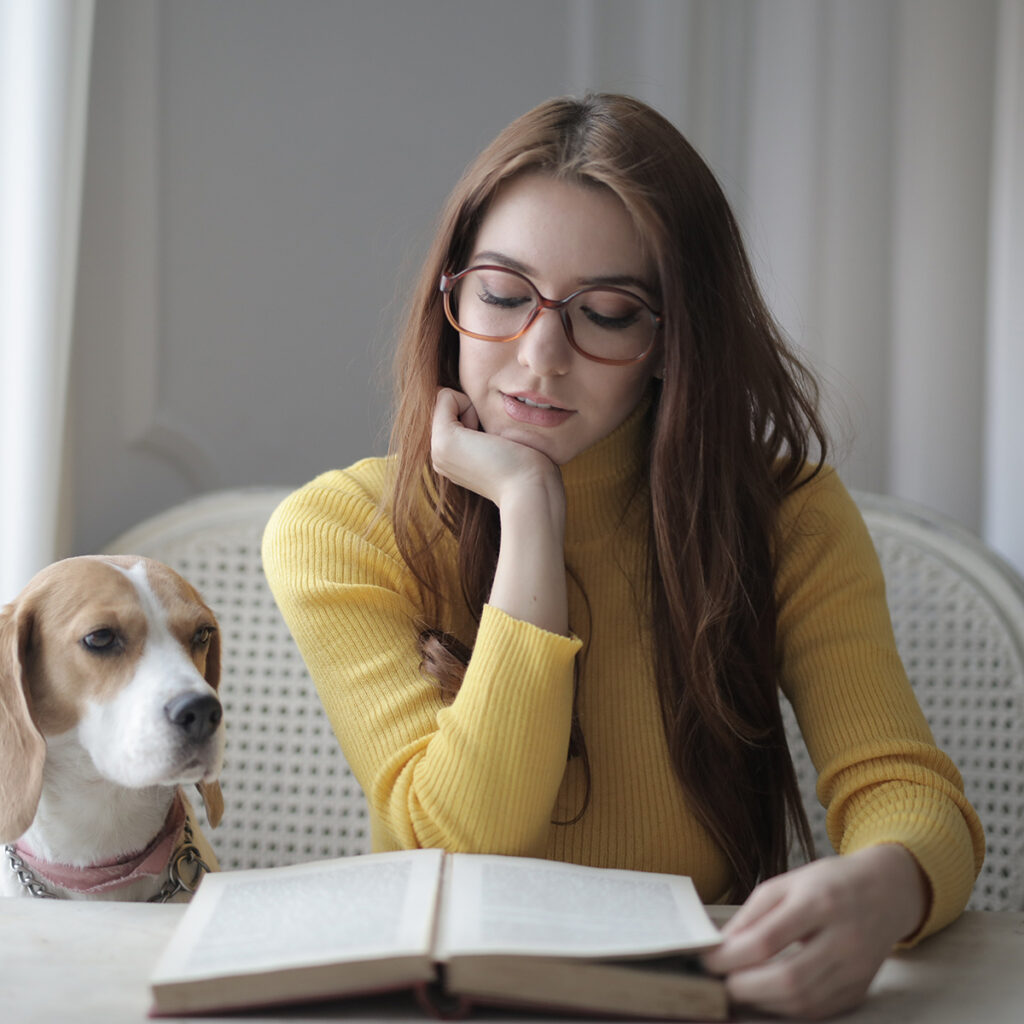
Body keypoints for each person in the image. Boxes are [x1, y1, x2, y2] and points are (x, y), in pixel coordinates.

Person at [263, 93, 983, 1018]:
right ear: (451, 298)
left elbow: (904, 786)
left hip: (692, 998)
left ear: (670, 339)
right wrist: (529, 508)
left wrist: (886, 890)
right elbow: (458, 839)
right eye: (502, 294)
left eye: (606, 312)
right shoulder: (341, 530)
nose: (540, 353)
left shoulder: (785, 517)